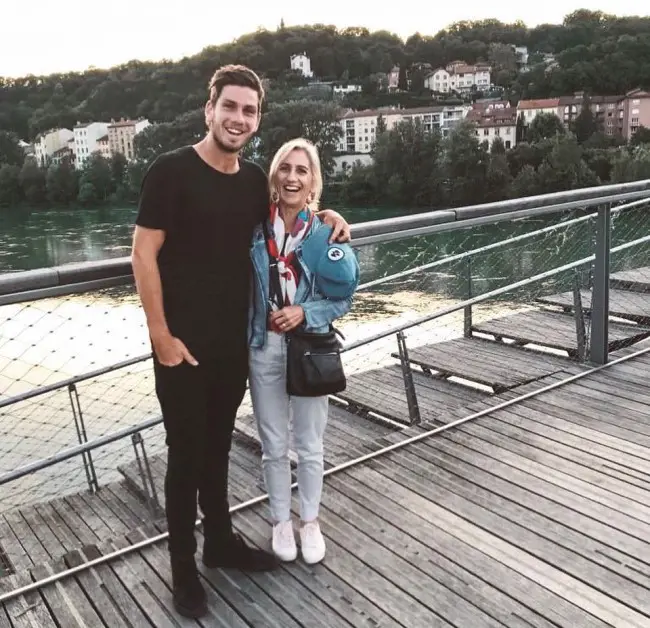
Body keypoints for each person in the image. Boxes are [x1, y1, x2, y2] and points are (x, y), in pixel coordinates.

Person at [131, 65, 350, 619]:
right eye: (229, 106)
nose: (238, 118)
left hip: (235, 346)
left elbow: (291, 215)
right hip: (181, 347)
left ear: (257, 121)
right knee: (185, 457)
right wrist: (160, 334)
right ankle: (183, 570)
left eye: (249, 111)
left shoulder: (255, 181)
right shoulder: (171, 171)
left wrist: (331, 217)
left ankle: (221, 542)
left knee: (219, 448)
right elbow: (143, 254)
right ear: (209, 110)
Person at [248, 138, 359, 565]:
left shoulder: (324, 232)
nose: (292, 177)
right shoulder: (254, 229)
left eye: (302, 170)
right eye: (285, 169)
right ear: (275, 176)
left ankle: (309, 521)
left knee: (310, 444)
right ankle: (280, 520)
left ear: (313, 181)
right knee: (274, 443)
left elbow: (344, 296)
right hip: (263, 347)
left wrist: (304, 312)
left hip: (310, 346)